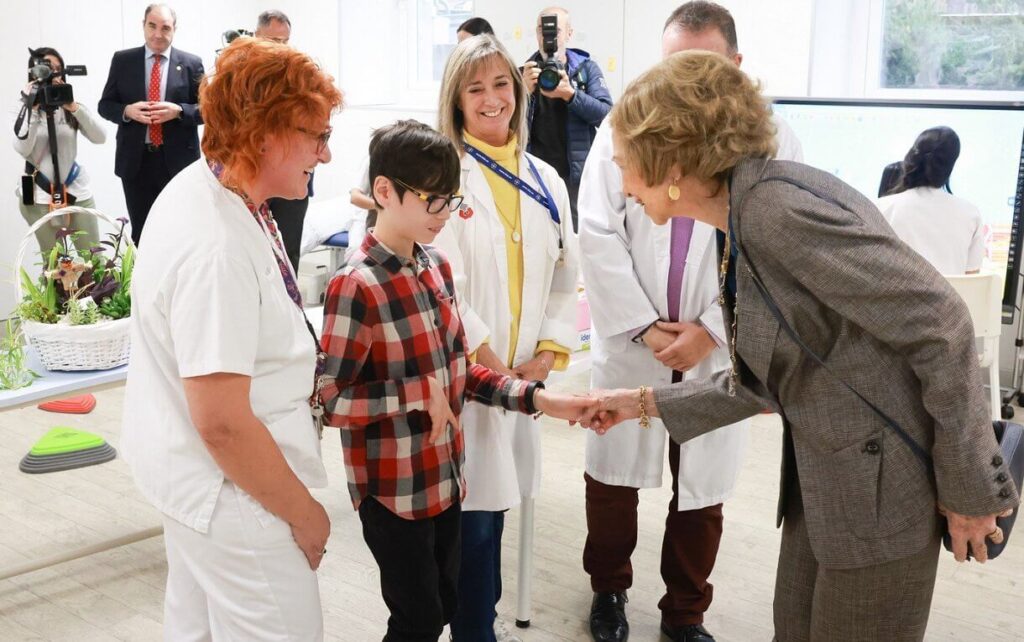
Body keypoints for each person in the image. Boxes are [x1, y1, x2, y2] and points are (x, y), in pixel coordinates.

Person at [588, 51, 1019, 642]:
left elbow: (941, 320)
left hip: (883, 490)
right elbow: (768, 378)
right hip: (827, 482)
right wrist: (637, 402)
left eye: (625, 155)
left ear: (672, 157)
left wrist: (971, 490)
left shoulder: (776, 209)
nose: (616, 168)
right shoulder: (742, 214)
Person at [318, 119, 593, 642]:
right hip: (392, 494)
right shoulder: (355, 285)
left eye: (452, 200)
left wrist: (541, 399)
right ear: (384, 191)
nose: (445, 215)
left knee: (443, 606)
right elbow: (329, 401)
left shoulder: (437, 267)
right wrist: (415, 394)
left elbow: (463, 373)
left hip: (446, 481)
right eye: (433, 201)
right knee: (417, 621)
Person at [577, 3, 802, 641]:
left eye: (703, 68)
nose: (686, 88)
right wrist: (644, 327)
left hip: (715, 344)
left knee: (701, 488)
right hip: (632, 340)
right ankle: (609, 593)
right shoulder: (624, 127)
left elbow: (770, 251)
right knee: (613, 476)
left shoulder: (772, 139)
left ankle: (684, 613)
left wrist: (711, 329)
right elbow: (596, 229)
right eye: (675, 68)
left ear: (735, 66)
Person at [120, 38, 342, 640]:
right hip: (237, 495)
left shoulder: (211, 189)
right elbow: (220, 420)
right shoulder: (215, 244)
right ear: (264, 134)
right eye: (316, 136)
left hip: (198, 482)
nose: (325, 153)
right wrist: (305, 513)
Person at [433, 34, 580, 641]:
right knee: (471, 527)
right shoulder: (445, 174)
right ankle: (474, 631)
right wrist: (497, 369)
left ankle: (481, 623)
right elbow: (446, 286)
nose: (492, 99)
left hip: (524, 381)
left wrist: (545, 356)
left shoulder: (546, 179)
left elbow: (565, 277)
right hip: (471, 382)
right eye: (476, 88)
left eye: (501, 85)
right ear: (457, 100)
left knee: (496, 513)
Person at [98, 3, 204, 246]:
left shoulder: (191, 63)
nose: (158, 34)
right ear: (143, 26)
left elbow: (207, 111)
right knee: (142, 233)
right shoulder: (123, 60)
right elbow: (105, 105)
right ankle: (143, 284)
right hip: (137, 162)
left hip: (178, 163)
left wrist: (179, 111)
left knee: (181, 231)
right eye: (152, 26)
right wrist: (127, 111)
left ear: (174, 29)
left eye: (165, 28)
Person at [523, 6, 612, 231]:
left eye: (556, 31)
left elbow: (607, 115)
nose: (549, 37)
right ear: (536, 33)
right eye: (543, 30)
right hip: (534, 175)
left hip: (575, 177)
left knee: (575, 240)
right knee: (537, 236)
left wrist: (571, 95)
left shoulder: (586, 69)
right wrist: (522, 93)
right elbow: (505, 127)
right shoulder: (524, 73)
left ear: (569, 34)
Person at [14, 47, 106, 255]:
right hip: (38, 195)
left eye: (58, 69)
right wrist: (32, 107)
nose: (53, 74)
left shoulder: (71, 108)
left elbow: (100, 137)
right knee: (54, 265)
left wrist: (73, 107)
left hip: (74, 191)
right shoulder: (24, 109)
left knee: (94, 259)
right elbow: (22, 147)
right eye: (47, 69)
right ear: (33, 73)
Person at [255, 8, 316, 273]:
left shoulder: (303, 77)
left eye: (284, 42)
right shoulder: (240, 79)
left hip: (292, 177)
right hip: (255, 176)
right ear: (257, 37)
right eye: (272, 41)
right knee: (255, 251)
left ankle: (291, 310)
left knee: (288, 250)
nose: (279, 49)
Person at [877, 127, 985, 275]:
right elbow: (972, 280)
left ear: (910, 158)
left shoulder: (883, 208)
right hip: (950, 298)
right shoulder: (971, 214)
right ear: (950, 167)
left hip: (895, 298)